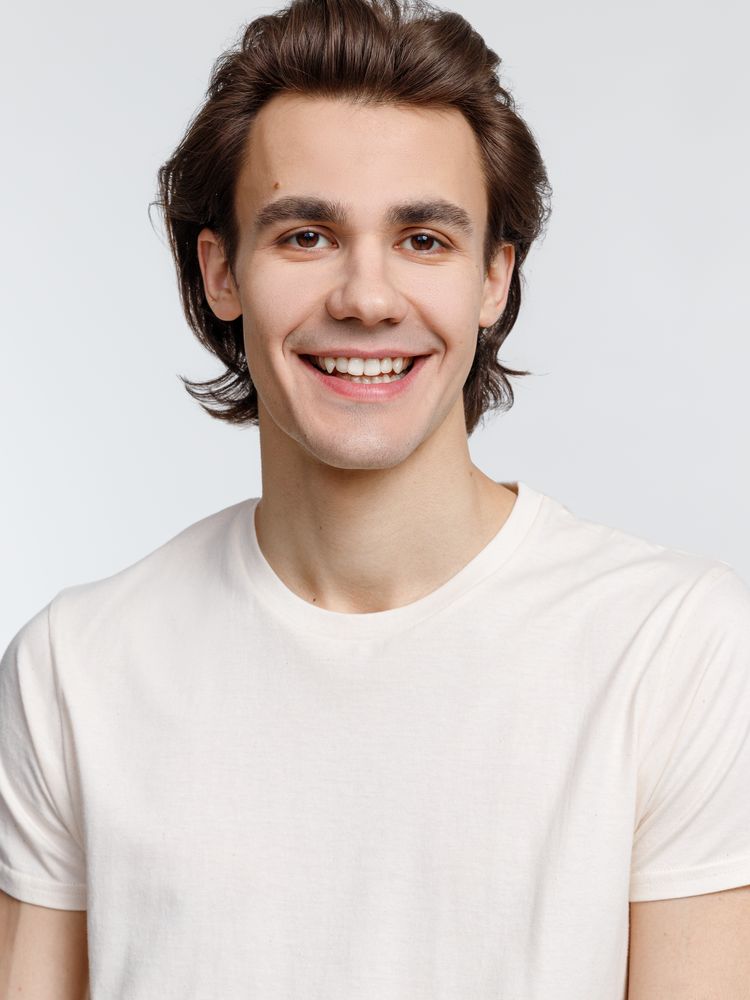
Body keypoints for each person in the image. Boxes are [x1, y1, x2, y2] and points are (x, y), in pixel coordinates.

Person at [1, 0, 749, 996]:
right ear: (221, 271)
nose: (366, 296)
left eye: (424, 240)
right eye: (307, 235)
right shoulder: (75, 670)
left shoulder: (673, 648)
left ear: (493, 280)